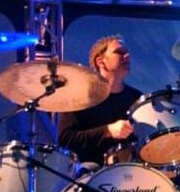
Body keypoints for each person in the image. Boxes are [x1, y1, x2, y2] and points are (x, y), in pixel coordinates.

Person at [57, 34, 140, 166]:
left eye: (127, 53)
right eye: (119, 52)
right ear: (101, 61)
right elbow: (65, 139)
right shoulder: (80, 96)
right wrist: (107, 131)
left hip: (130, 173)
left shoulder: (136, 99)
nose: (127, 56)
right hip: (90, 174)